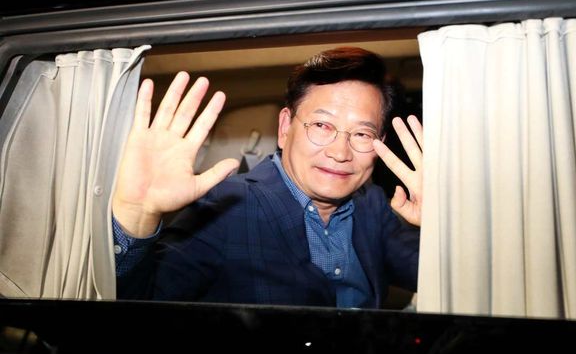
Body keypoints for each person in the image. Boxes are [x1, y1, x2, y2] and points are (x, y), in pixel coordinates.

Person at [113, 47, 423, 308]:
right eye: (321, 126)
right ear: (285, 128)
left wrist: (438, 224)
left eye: (362, 134)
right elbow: (137, 307)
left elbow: (430, 274)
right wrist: (137, 217)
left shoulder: (372, 204)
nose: (340, 152)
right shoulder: (227, 205)